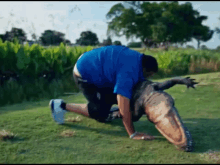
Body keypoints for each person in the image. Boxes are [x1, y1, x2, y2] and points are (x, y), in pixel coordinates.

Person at [49, 45, 158, 140]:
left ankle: (112, 112)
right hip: (84, 74)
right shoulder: (129, 71)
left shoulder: (137, 59)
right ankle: (61, 106)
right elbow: (122, 99)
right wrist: (132, 134)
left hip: (100, 71)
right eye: (149, 75)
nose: (148, 78)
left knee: (127, 99)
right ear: (144, 69)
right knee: (100, 112)